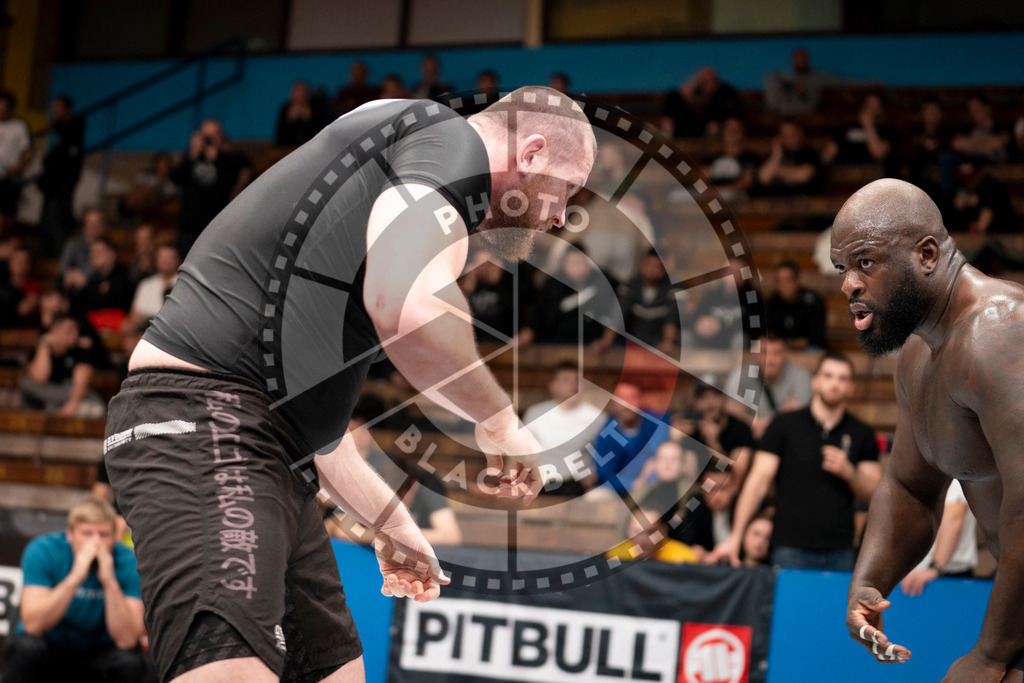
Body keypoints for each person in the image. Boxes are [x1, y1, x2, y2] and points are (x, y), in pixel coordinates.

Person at [103, 86, 595, 682]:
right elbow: (408, 306)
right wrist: (497, 418)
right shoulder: (450, 140)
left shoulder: (387, 169)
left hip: (268, 445)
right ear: (534, 153)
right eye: (567, 189)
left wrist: (389, 524)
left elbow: (312, 421)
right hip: (203, 421)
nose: (561, 215)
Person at [832, 178, 1024, 678]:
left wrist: (991, 655)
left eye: (864, 262)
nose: (848, 283)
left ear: (927, 254)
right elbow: (909, 488)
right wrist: (869, 583)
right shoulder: (919, 355)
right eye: (842, 268)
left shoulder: (1001, 331)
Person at [708, 353, 881, 569]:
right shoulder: (784, 425)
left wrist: (850, 473)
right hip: (790, 546)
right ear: (814, 381)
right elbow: (758, 482)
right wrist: (736, 536)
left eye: (842, 378)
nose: (835, 383)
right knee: (789, 603)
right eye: (828, 376)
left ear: (851, 387)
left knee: (833, 605)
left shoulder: (862, 433)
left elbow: (875, 493)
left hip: (840, 547)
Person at [3, 498, 152, 682]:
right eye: (87, 533)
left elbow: (127, 641)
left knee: (129, 662)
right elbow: (33, 625)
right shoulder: (43, 550)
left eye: (103, 534)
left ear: (114, 537)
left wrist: (109, 581)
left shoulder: (129, 561)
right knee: (26, 648)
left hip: (99, 651)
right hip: (51, 645)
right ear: (70, 534)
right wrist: (75, 577)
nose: (95, 542)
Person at [522, 361, 607, 496]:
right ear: (553, 386)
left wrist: (595, 475)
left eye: (577, 381)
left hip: (576, 484)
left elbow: (606, 451)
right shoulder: (535, 413)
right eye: (566, 381)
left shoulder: (597, 418)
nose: (573, 385)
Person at [170, 118, 252, 256]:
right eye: (205, 136)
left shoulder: (229, 159)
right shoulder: (193, 157)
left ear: (221, 136)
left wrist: (216, 159)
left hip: (215, 226)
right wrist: (192, 156)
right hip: (189, 227)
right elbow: (176, 178)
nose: (208, 141)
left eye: (213, 136)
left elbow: (227, 188)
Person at [724, 333, 812, 440]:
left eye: (776, 353)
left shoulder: (801, 376)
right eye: (764, 352)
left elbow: (797, 415)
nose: (769, 360)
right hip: (748, 436)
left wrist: (760, 424)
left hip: (785, 438)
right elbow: (731, 409)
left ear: (785, 354)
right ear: (755, 354)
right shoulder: (741, 375)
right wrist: (755, 423)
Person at [899, 479, 977, 597]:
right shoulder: (919, 477)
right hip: (916, 575)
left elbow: (953, 520)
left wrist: (935, 567)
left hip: (943, 577)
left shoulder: (953, 478)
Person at [19, 315, 105, 417]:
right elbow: (40, 377)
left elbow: (82, 379)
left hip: (73, 395)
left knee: (87, 399)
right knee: (26, 383)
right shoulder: (39, 350)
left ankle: (53, 407)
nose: (75, 334)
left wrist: (73, 403)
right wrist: (44, 343)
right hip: (49, 396)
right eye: (69, 330)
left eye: (76, 330)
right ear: (54, 331)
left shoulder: (80, 351)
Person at [38, 94, 85, 257]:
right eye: (53, 108)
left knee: (58, 216)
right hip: (51, 184)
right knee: (47, 218)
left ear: (67, 109)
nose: (54, 111)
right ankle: (48, 251)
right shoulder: (60, 130)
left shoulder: (75, 124)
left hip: (63, 183)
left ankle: (60, 253)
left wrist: (54, 126)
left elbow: (69, 149)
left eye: (57, 107)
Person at [660, 66, 740, 140]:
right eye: (704, 82)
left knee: (714, 127)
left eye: (710, 81)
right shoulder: (683, 96)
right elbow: (684, 92)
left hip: (711, 133)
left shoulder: (724, 94)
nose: (707, 85)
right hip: (686, 131)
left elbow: (729, 118)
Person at [764, 260, 827, 350]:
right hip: (779, 350)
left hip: (809, 350)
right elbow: (769, 335)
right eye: (779, 281)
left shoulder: (813, 301)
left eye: (787, 280)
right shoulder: (772, 302)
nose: (783, 285)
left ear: (797, 280)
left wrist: (790, 344)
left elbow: (815, 337)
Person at [756, 120, 821, 196]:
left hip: (802, 200)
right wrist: (776, 155)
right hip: (776, 201)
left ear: (799, 133)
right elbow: (763, 178)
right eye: (784, 134)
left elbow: (804, 175)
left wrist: (776, 171)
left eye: (791, 133)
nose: (788, 137)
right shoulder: (776, 154)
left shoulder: (809, 154)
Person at [0, 89, 33, 220]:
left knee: (6, 212)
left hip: (8, 176)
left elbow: (28, 152)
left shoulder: (19, 126)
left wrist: (18, 167)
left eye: (4, 108)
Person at [275, 81, 327, 147]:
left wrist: (309, 118)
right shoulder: (285, 110)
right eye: (297, 91)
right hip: (289, 150)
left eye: (303, 91)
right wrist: (290, 120)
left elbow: (322, 134)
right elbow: (280, 138)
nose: (301, 94)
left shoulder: (317, 108)